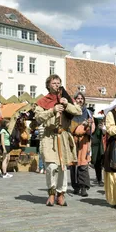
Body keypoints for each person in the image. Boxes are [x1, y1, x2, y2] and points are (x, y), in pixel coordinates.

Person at [35, 74, 82, 206]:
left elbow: (78, 111)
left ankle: (61, 194)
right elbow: (38, 118)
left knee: (62, 167)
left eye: (58, 83)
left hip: (63, 136)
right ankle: (51, 192)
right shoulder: (42, 101)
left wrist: (67, 105)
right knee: (51, 166)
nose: (56, 85)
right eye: (54, 83)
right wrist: (52, 110)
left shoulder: (65, 98)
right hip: (50, 136)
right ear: (48, 85)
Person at [69, 92, 94, 197]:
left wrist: (87, 126)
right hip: (73, 140)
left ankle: (83, 187)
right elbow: (69, 127)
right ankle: (76, 186)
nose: (80, 100)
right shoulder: (70, 112)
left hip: (84, 141)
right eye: (78, 98)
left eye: (81, 98)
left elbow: (92, 127)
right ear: (75, 100)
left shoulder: (88, 112)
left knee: (83, 164)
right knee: (73, 165)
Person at [91, 115, 106, 186]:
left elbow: (104, 133)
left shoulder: (99, 125)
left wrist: (102, 128)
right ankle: (98, 178)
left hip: (98, 147)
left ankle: (99, 179)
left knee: (98, 163)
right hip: (92, 146)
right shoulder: (90, 124)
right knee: (95, 163)